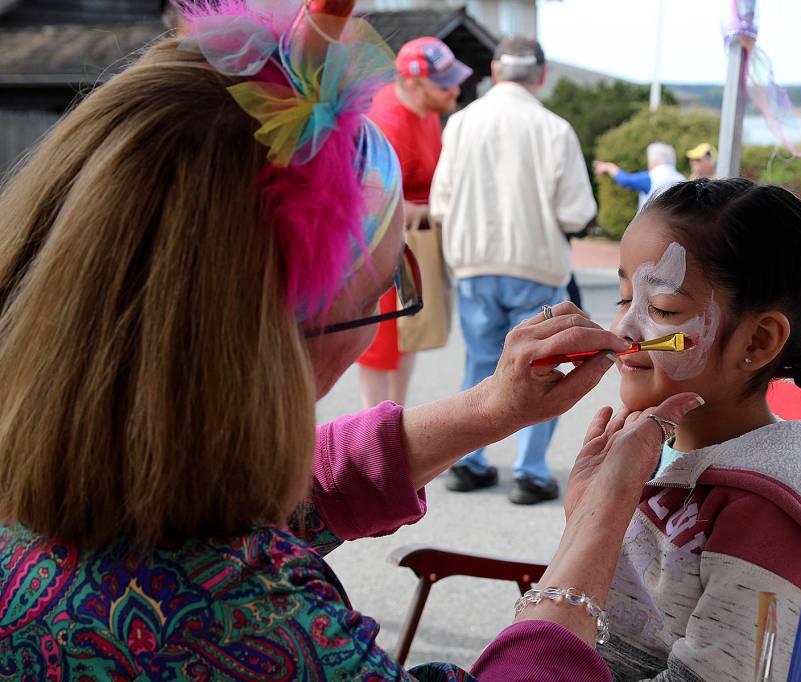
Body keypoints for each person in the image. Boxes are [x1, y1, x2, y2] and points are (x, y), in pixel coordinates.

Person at [0, 4, 704, 679]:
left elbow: (285, 492)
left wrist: (493, 407)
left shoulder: (90, 479)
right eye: (376, 298)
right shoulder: (252, 633)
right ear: (261, 351)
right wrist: (600, 518)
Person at [600, 179, 801, 681]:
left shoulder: (768, 523)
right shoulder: (657, 465)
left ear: (757, 340)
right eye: (624, 298)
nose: (623, 331)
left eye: (662, 309)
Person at [430, 34, 597, 504]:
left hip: (474, 263)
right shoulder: (554, 128)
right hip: (536, 265)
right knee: (541, 368)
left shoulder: (460, 124)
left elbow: (442, 200)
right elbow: (575, 212)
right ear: (540, 75)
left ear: (496, 72)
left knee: (481, 363)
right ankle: (530, 471)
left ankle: (468, 461)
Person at [356, 36, 471, 408]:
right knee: (383, 339)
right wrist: (432, 209)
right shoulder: (387, 123)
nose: (455, 88)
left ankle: (395, 415)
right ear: (413, 83)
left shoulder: (428, 112)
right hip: (379, 241)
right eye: (444, 83)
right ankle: (373, 425)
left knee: (409, 332)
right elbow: (369, 200)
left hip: (412, 237)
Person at [593, 142, 687, 209]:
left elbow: (624, 180)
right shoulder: (682, 178)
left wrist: (608, 167)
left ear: (654, 160)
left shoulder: (653, 177)